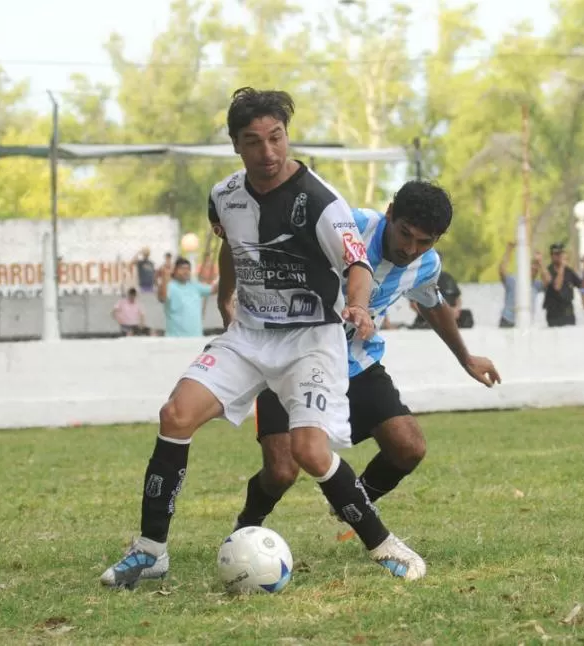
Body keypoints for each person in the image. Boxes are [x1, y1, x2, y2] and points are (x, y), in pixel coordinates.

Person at [101, 87, 423, 589]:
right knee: (175, 415)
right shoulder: (223, 196)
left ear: (287, 136)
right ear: (236, 145)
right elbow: (233, 244)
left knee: (310, 452)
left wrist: (357, 304)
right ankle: (150, 550)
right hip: (250, 336)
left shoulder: (320, 201)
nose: (268, 152)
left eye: (276, 138)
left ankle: (384, 544)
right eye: (254, 141)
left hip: (311, 340)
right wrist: (227, 295)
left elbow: (357, 261)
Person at [225, 181, 500, 543]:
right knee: (281, 472)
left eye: (424, 242)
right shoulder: (347, 225)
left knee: (408, 446)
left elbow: (432, 304)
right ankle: (246, 526)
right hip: (289, 359)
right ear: (389, 214)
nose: (410, 249)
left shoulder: (426, 265)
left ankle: (355, 503)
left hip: (354, 364)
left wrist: (465, 357)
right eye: (405, 234)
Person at [157, 257, 215, 338]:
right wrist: (164, 277)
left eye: (188, 269)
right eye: (182, 268)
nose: (185, 271)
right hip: (175, 341)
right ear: (174, 270)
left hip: (197, 339)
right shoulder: (169, 286)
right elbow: (162, 298)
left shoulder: (195, 286)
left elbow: (214, 289)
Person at [498, 242, 545, 327]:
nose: (534, 267)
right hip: (508, 321)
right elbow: (502, 271)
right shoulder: (514, 280)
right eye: (532, 264)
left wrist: (541, 263)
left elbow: (548, 282)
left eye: (536, 265)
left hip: (525, 323)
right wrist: (509, 250)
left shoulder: (537, 285)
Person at [541, 243, 582, 327]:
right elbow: (557, 286)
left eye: (561, 253)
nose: (559, 256)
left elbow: (582, 285)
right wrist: (562, 266)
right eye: (556, 254)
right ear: (551, 256)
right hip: (554, 313)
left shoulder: (569, 271)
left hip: (568, 312)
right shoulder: (548, 271)